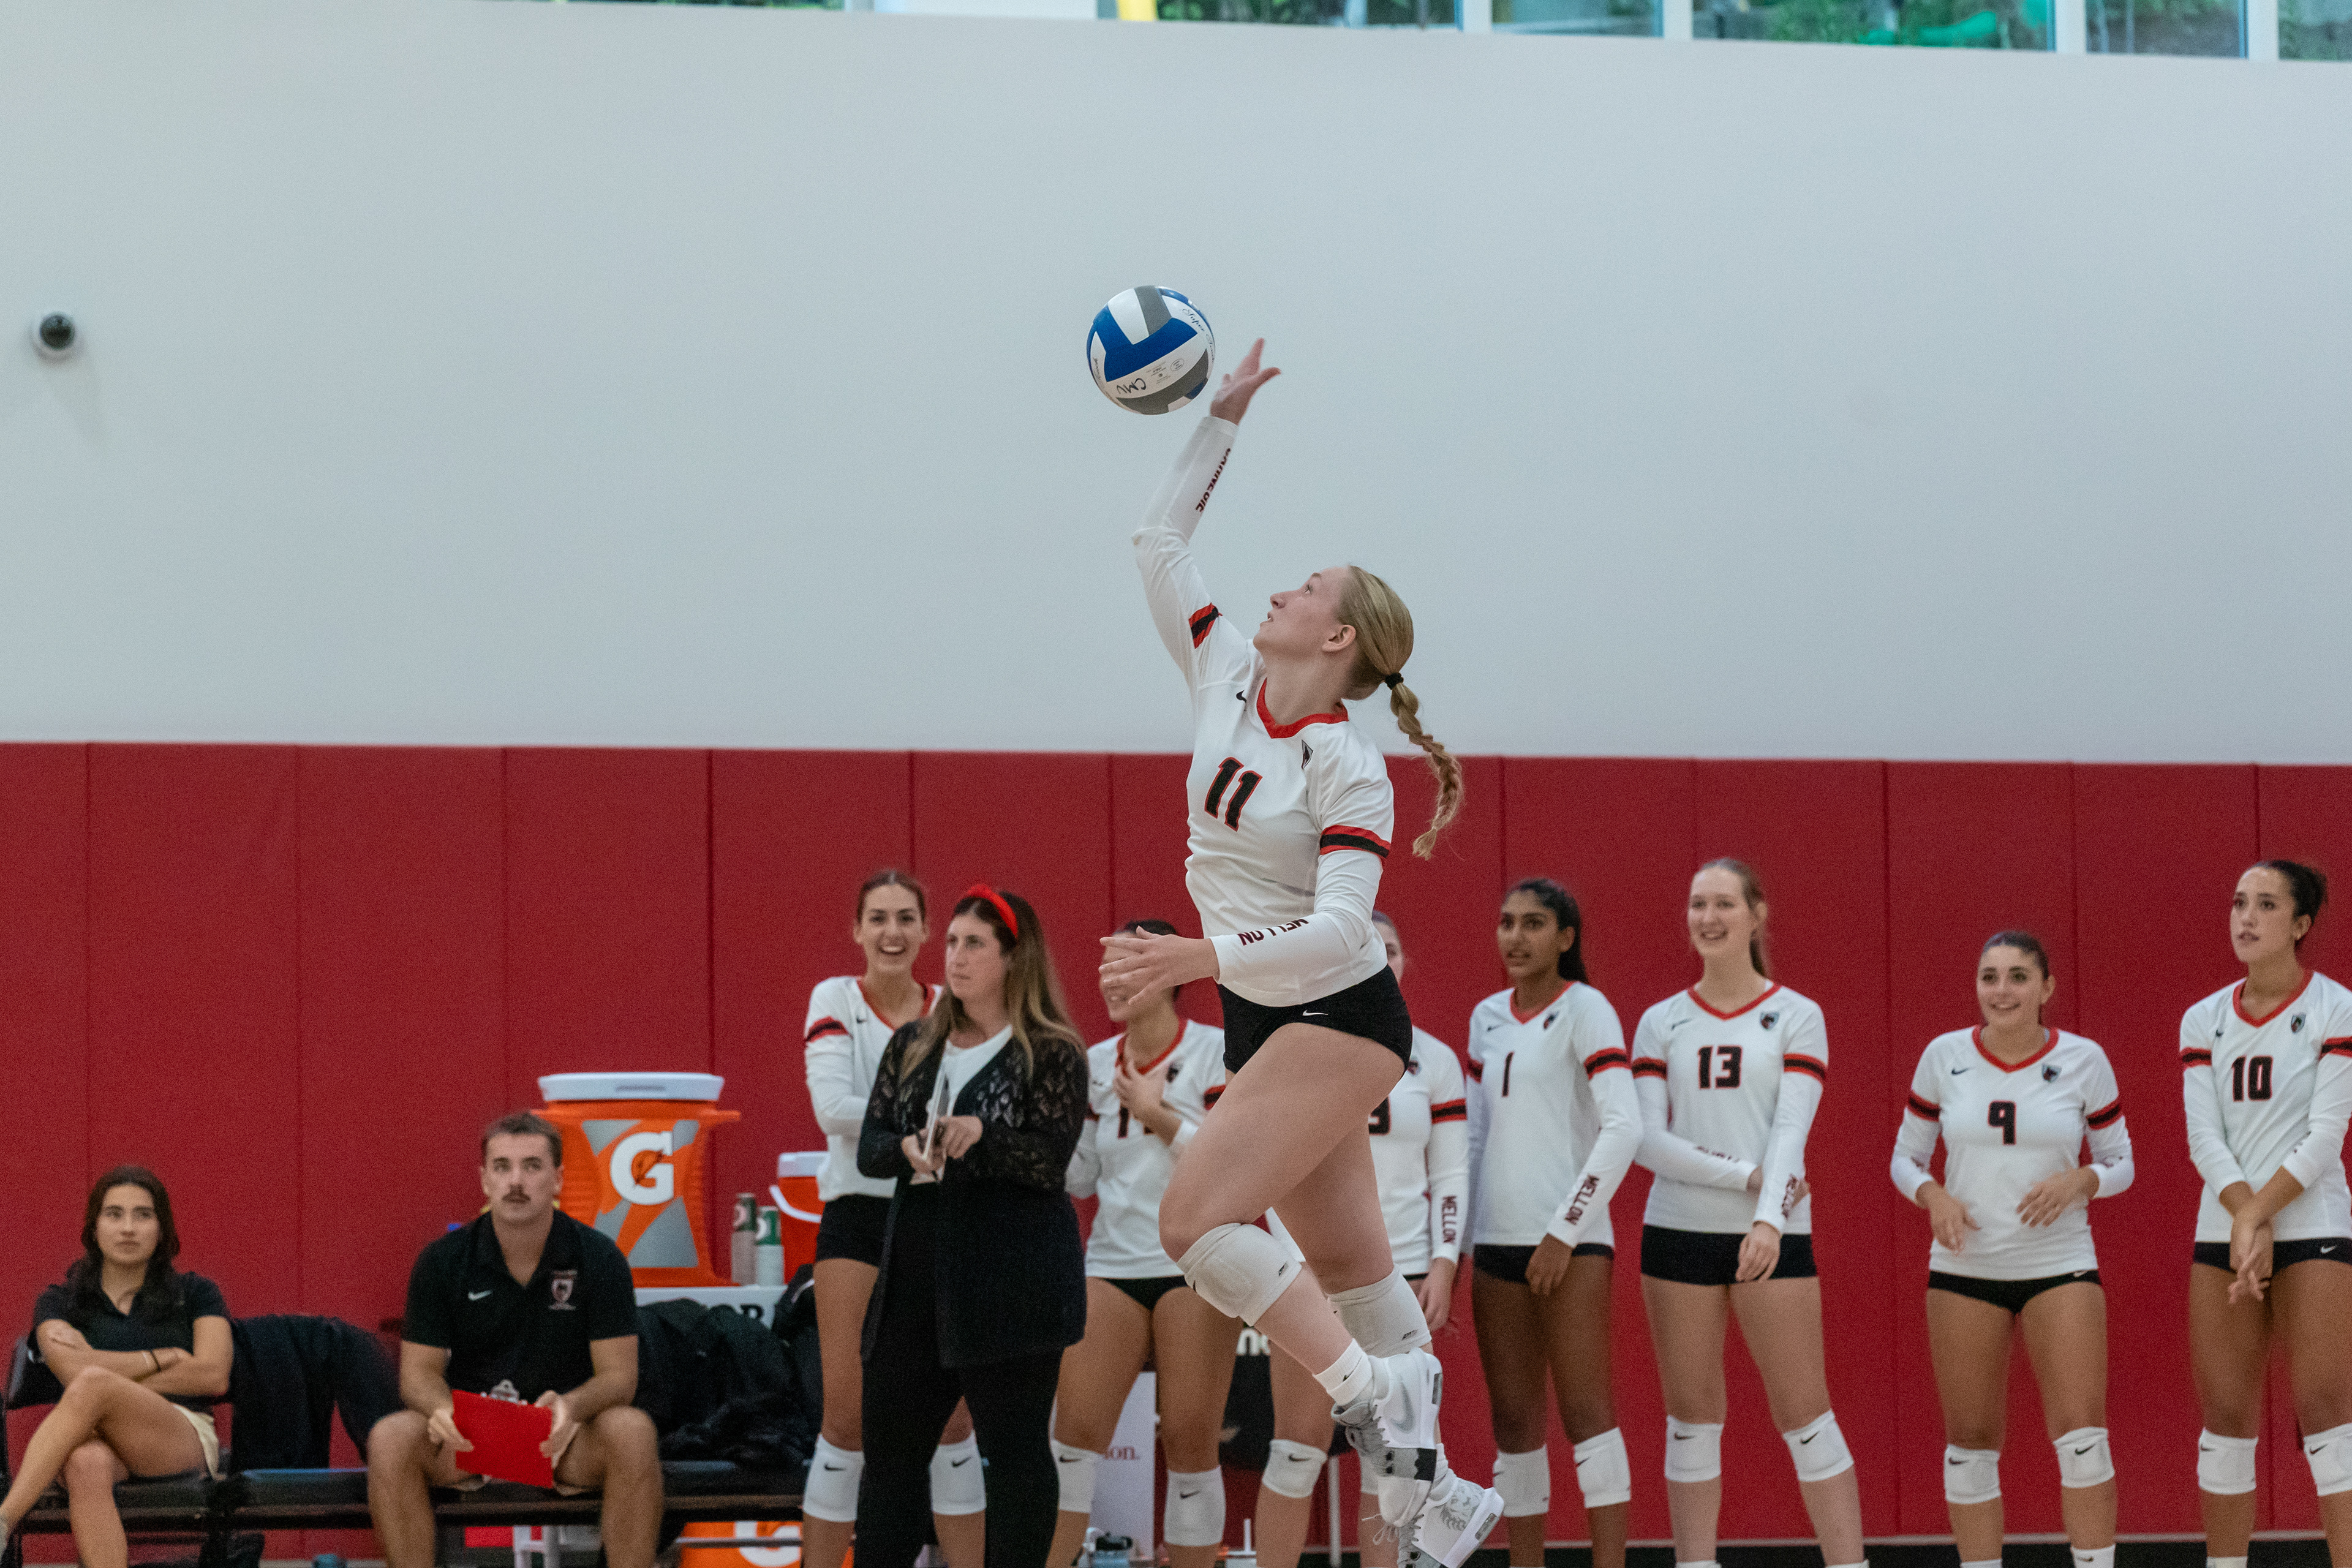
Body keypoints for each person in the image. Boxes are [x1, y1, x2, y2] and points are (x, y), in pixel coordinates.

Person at [1098, 338, 1504, 1566]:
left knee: (1192, 1223)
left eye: (1310, 587)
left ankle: (1373, 1406)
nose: (1281, 590)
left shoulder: (1348, 764)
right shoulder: (1224, 669)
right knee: (1353, 1272)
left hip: (1339, 1011)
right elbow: (1157, 542)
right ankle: (1440, 1491)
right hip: (1271, 1013)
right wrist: (1217, 419)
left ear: (1340, 641)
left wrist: (1196, 958)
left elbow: (1343, 930)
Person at [1630, 859, 1864, 1568]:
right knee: (1691, 1423)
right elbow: (1647, 1140)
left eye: (1725, 904)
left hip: (1773, 1234)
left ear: (1757, 915)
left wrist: (1767, 1218)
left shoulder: (1797, 1015)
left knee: (1807, 1416)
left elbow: (1792, 1128)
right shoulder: (1660, 1020)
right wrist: (1749, 1176)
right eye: (1698, 904)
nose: (1709, 917)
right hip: (1676, 1232)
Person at [856, 886, 1090, 1568]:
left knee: (1015, 1452)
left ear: (1014, 957)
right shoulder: (913, 1042)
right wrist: (906, 1147)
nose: (955, 957)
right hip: (917, 1267)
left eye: (975, 944)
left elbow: (1050, 1161)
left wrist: (983, 1134)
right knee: (890, 1458)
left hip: (1012, 1274)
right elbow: (870, 1146)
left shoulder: (1052, 1050)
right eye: (953, 941)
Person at [1890, 932, 2132, 1568]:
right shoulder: (1944, 1056)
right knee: (1970, 1443)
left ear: (2046, 987)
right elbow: (1905, 1157)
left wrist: (2081, 1180)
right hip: (1965, 1266)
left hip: (2060, 1262)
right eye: (1990, 976)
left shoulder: (2084, 1059)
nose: (2002, 990)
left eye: (2019, 976)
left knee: (2083, 1438)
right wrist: (1933, 1196)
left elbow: (2122, 1161)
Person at [1253, 910, 1470, 1568]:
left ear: (1403, 963)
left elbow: (1451, 1172)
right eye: (1369, 946)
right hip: (1311, 1276)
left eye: (1392, 948)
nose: (1382, 957)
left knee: (1394, 1459)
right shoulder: (1296, 1046)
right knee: (1295, 1452)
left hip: (1401, 1275)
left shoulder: (1435, 1058)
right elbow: (1268, 1169)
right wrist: (1298, 1265)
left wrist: (1443, 1262)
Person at [367, 1114, 662, 1568]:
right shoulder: (442, 1261)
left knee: (633, 1431)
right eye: (502, 1167)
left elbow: (620, 1378)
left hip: (562, 1436)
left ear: (558, 1179)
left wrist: (571, 1407)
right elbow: (417, 1376)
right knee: (390, 1438)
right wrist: (442, 1409)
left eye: (532, 1166)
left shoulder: (600, 1258)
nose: (516, 1182)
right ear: (484, 1180)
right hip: (474, 1436)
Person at [800, 870, 986, 1568]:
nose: (892, 932)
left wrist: (910, 1131)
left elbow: (977, 1109)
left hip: (939, 1219)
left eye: (906, 917)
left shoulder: (954, 1008)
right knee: (847, 1421)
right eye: (877, 918)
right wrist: (916, 1130)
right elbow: (830, 1109)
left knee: (954, 1422)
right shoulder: (834, 999)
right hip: (857, 1218)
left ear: (928, 930)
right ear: (857, 930)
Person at [1050, 918, 1239, 1568]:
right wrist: (1046, 1130)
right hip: (1111, 1264)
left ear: (1166, 976)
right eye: (1107, 967)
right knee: (1071, 1442)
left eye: (1127, 965)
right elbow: (1080, 1178)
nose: (1111, 980)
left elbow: (1230, 1166)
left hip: (1198, 1261)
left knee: (1190, 1444)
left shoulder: (1215, 1051)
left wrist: (1158, 1115)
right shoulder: (1093, 1063)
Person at [2180, 861, 2352, 1568]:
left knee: (2327, 1410)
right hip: (2224, 1226)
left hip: (2312, 1224)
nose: (2246, 917)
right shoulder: (2204, 1018)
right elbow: (2204, 1137)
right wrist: (2244, 1217)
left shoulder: (2337, 1007)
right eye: (2238, 902)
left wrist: (2256, 1215)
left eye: (2267, 904)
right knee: (2225, 1417)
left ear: (2302, 923)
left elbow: (2326, 1133)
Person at [1465, 880, 1640, 1568]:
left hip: (1573, 1246)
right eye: (1506, 922)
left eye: (1533, 923)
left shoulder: (1587, 1009)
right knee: (1513, 1423)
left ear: (1566, 938)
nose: (1516, 936)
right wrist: (1458, 1250)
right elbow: (1474, 1139)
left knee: (1587, 1414)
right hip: (1496, 1246)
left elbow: (1625, 1127)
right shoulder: (1486, 1017)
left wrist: (1564, 1231)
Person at [0, 1168, 232, 1568]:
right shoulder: (59, 1301)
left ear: (162, 1228)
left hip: (179, 1433)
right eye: (114, 1214)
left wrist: (107, 1380)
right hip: (91, 1435)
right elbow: (70, 1372)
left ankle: (4, 1520)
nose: (128, 1228)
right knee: (84, 1462)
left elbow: (213, 1375)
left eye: (143, 1215)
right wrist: (160, 1357)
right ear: (94, 1228)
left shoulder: (197, 1293)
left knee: (95, 1383)